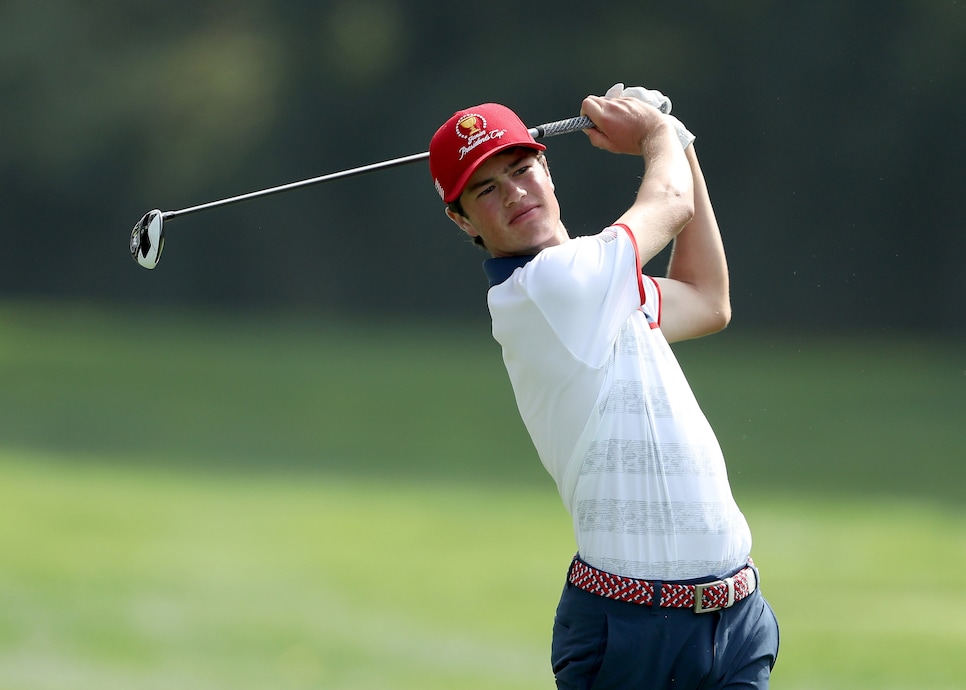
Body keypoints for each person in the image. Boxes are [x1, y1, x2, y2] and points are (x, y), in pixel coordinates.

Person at [428, 84, 779, 689]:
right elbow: (668, 201)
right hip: (631, 629)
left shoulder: (600, 286)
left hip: (734, 616)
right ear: (462, 220)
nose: (515, 192)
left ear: (547, 167)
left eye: (522, 168)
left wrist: (680, 142)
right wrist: (656, 135)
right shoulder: (550, 288)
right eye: (486, 188)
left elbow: (706, 299)